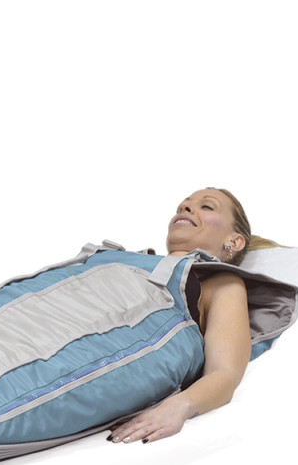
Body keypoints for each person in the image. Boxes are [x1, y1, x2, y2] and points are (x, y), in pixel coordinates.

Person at [108, 187, 252, 445]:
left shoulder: (221, 284)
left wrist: (180, 406)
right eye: (183, 206)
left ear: (235, 241)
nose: (185, 208)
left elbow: (225, 373)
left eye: (207, 206)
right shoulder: (123, 261)